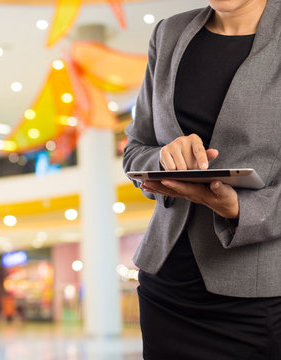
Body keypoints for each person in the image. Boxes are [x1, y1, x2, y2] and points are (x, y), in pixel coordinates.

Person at [123, 0, 281, 358]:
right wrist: (162, 158)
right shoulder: (169, 33)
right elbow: (135, 148)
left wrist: (242, 208)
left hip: (259, 293)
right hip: (167, 286)